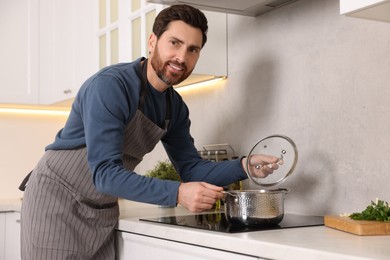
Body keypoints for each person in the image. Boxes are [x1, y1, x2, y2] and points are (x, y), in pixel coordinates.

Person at [20, 4, 280, 260]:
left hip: (102, 209)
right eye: (174, 43)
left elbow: (192, 169)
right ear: (152, 41)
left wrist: (246, 166)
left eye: (193, 49)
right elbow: (105, 175)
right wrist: (178, 193)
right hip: (57, 202)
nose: (182, 57)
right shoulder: (111, 86)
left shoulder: (174, 107)